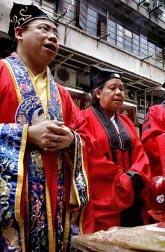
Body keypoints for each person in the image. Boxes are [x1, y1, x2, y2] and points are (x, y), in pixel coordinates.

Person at [0, 3, 89, 251]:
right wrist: (25, 135)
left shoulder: (62, 94)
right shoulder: (0, 73)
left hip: (55, 210)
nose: (53, 37)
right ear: (19, 32)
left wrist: (72, 140)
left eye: (56, 33)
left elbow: (85, 136)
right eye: (44, 28)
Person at [80, 65, 151, 231]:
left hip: (134, 195)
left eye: (121, 88)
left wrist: (135, 176)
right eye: (112, 88)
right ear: (98, 93)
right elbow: (93, 158)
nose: (119, 92)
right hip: (105, 200)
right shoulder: (84, 119)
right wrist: (124, 181)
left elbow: (140, 154)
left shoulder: (126, 122)